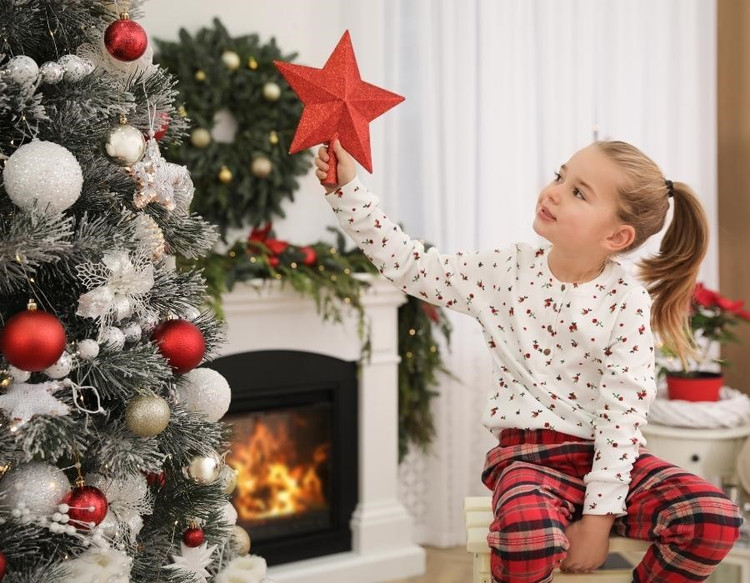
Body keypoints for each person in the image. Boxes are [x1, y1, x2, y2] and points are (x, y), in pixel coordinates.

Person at [314, 139, 743, 582]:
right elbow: (410, 265)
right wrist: (347, 189)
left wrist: (598, 519)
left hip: (612, 462)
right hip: (529, 460)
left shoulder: (627, 302)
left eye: (578, 192)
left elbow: (622, 415)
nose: (554, 191)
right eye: (561, 176)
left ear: (616, 237)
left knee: (714, 519)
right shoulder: (505, 272)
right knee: (527, 540)